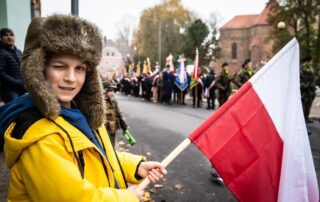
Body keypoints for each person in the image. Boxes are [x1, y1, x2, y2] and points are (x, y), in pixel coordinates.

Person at [0, 15, 166, 201]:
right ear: (39, 69)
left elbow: (98, 158)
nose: (71, 78)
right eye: (60, 66)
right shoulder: (39, 137)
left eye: (79, 68)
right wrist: (127, 197)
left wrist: (135, 167)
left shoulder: (82, 113)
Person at [0, 28, 26, 103]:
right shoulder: (1, 52)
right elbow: (1, 73)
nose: (9, 37)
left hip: (22, 88)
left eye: (11, 35)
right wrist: (17, 82)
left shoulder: (18, 52)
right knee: (14, 111)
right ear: (1, 38)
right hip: (10, 90)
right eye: (6, 35)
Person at [103, 79, 129, 146]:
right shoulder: (101, 102)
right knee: (105, 145)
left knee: (112, 144)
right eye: (110, 91)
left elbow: (119, 113)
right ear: (104, 90)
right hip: (103, 129)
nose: (112, 93)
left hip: (112, 128)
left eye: (113, 91)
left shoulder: (113, 101)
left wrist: (124, 125)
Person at [300, 56, 316, 124]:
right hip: (304, 92)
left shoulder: (310, 69)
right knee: (303, 107)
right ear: (306, 62)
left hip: (311, 92)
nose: (311, 63)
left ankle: (306, 118)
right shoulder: (301, 69)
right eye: (310, 61)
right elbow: (298, 81)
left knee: (308, 107)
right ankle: (302, 121)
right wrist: (306, 86)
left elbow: (313, 79)